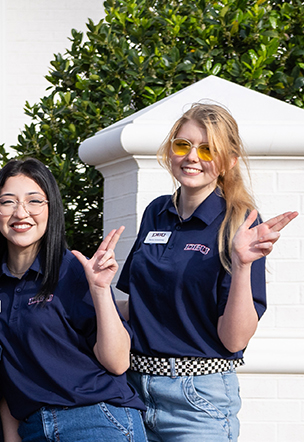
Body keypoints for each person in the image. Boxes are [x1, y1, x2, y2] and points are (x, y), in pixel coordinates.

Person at [115, 103, 296, 441]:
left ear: (228, 161)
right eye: (182, 145)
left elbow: (234, 339)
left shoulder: (239, 223)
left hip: (198, 401)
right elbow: (137, 306)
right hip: (134, 391)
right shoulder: (156, 212)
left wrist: (242, 265)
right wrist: (80, 296)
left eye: (207, 149)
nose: (191, 157)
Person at [0, 158, 144, 441]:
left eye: (34, 201)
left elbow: (117, 363)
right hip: (33, 429)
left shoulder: (74, 271)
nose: (21, 212)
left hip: (94, 421)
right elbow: (6, 380)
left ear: (51, 208)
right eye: (8, 202)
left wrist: (101, 290)